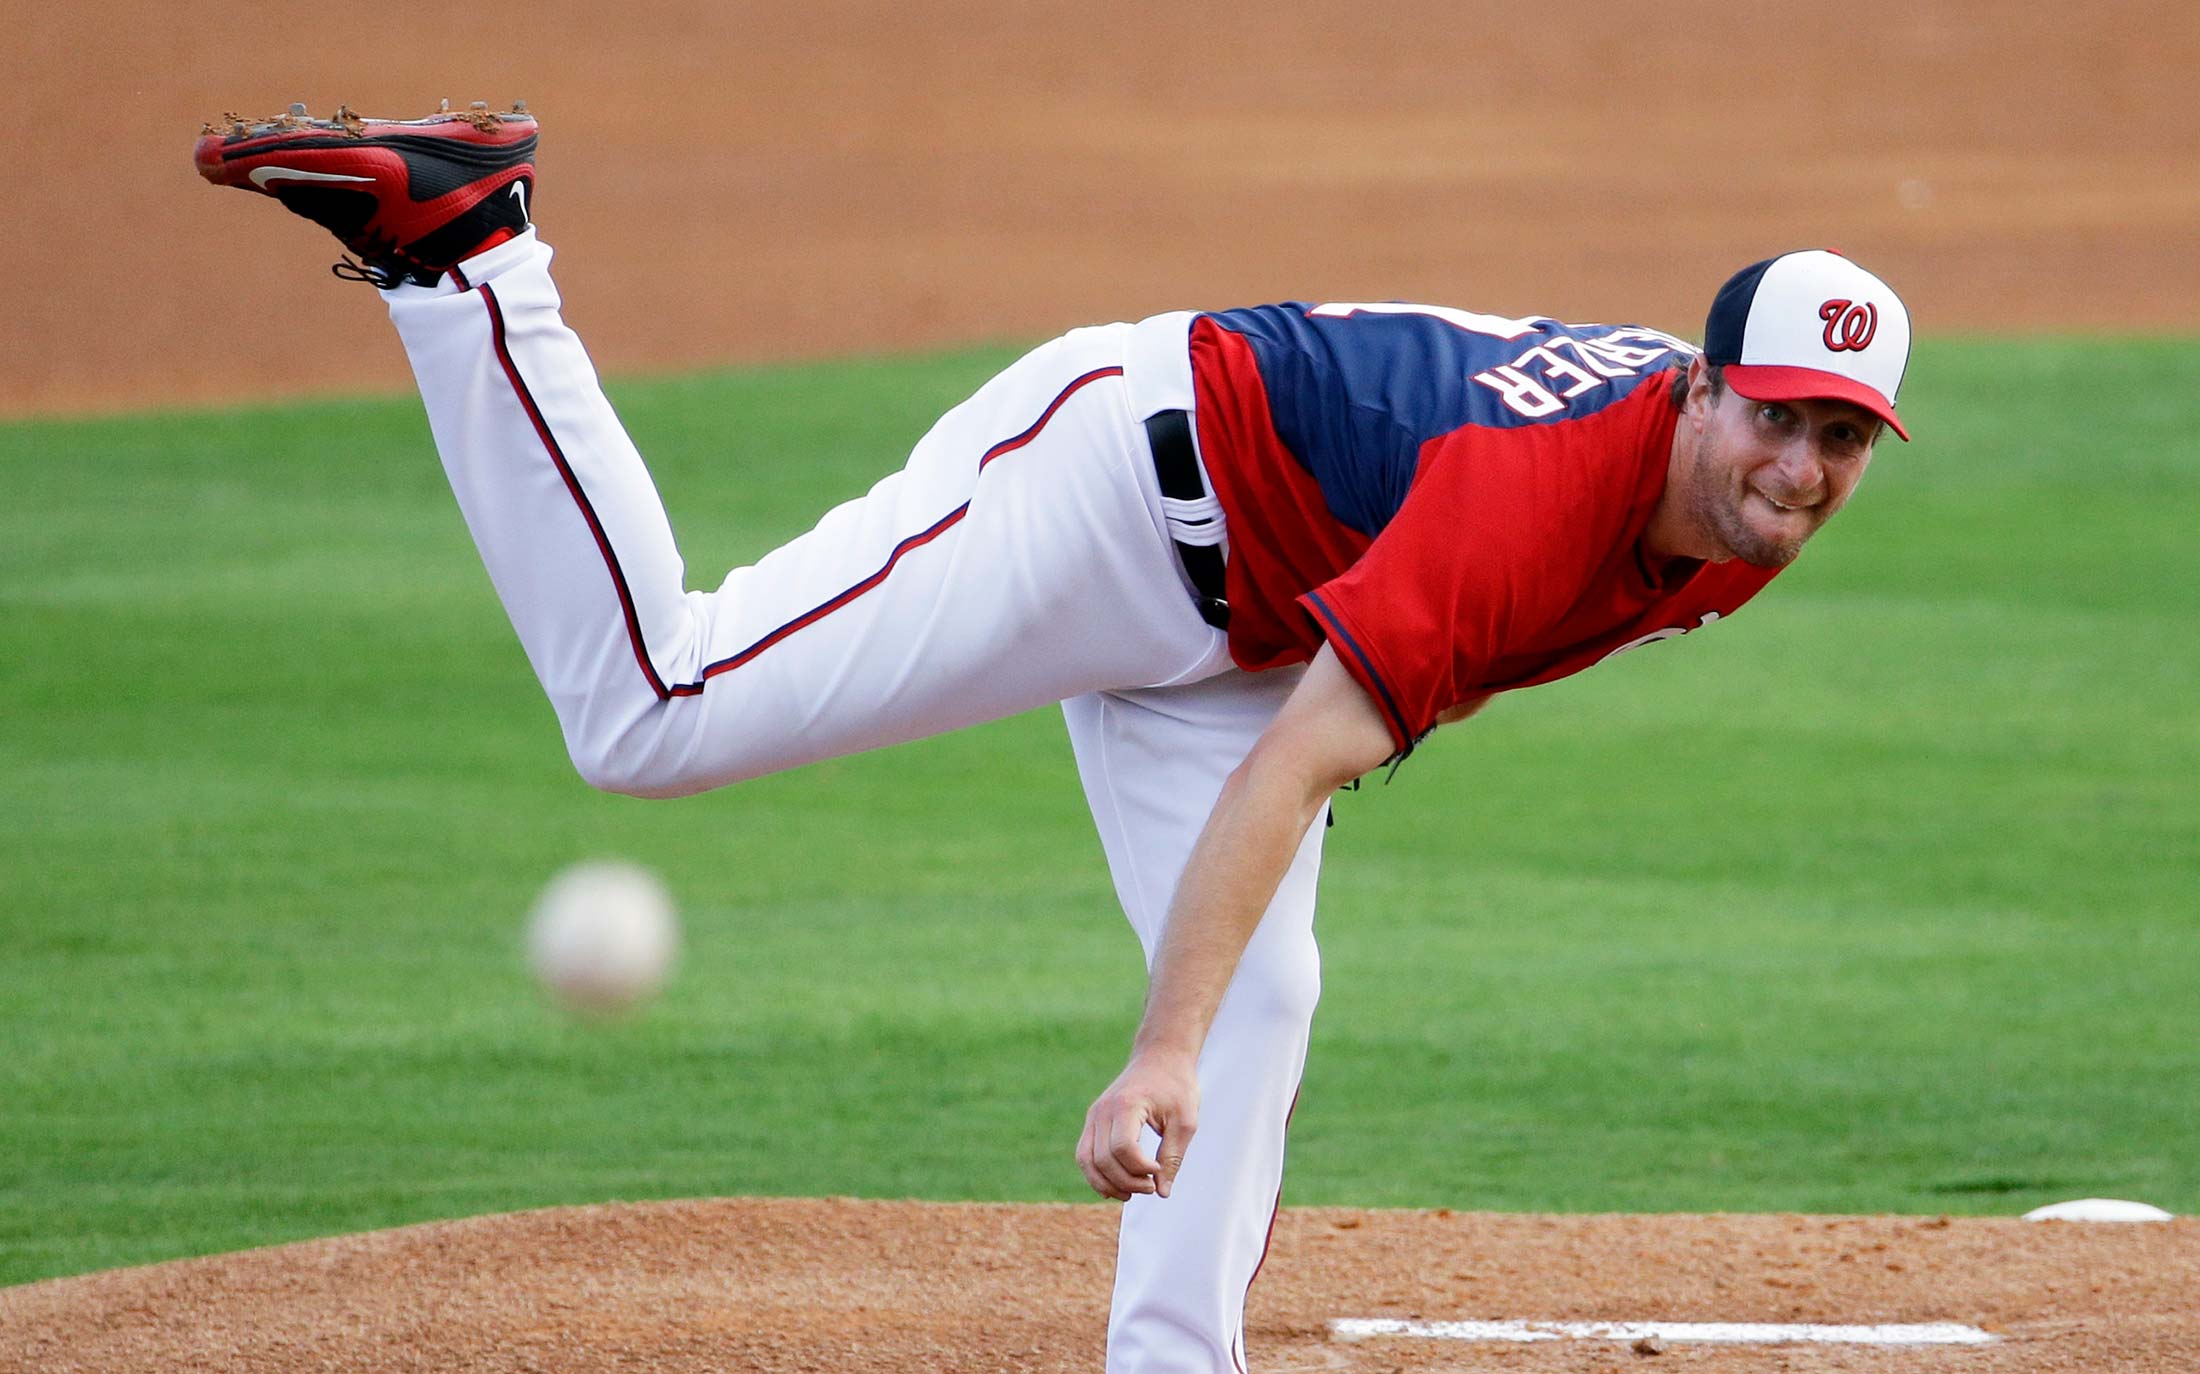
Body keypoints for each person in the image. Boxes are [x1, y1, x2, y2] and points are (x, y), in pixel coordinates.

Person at [195, 103, 1912, 1374]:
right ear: (1701, 386)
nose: (1808, 468)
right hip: (1107, 488)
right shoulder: (1540, 503)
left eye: (1846, 438)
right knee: (657, 708)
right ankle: (473, 252)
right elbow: (1300, 759)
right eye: (1780, 416)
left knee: (1274, 988)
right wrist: (1156, 1052)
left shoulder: (1732, 525)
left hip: (1245, 603)